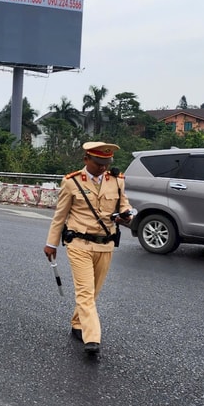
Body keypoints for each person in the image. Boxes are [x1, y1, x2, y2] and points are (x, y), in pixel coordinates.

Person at [44, 141, 135, 357]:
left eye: (106, 163)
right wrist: (51, 243)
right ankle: (92, 337)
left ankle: (77, 322)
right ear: (86, 159)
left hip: (105, 245)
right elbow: (60, 216)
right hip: (79, 244)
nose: (103, 168)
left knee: (93, 293)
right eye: (98, 163)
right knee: (85, 292)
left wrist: (126, 216)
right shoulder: (72, 182)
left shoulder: (117, 180)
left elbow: (124, 206)